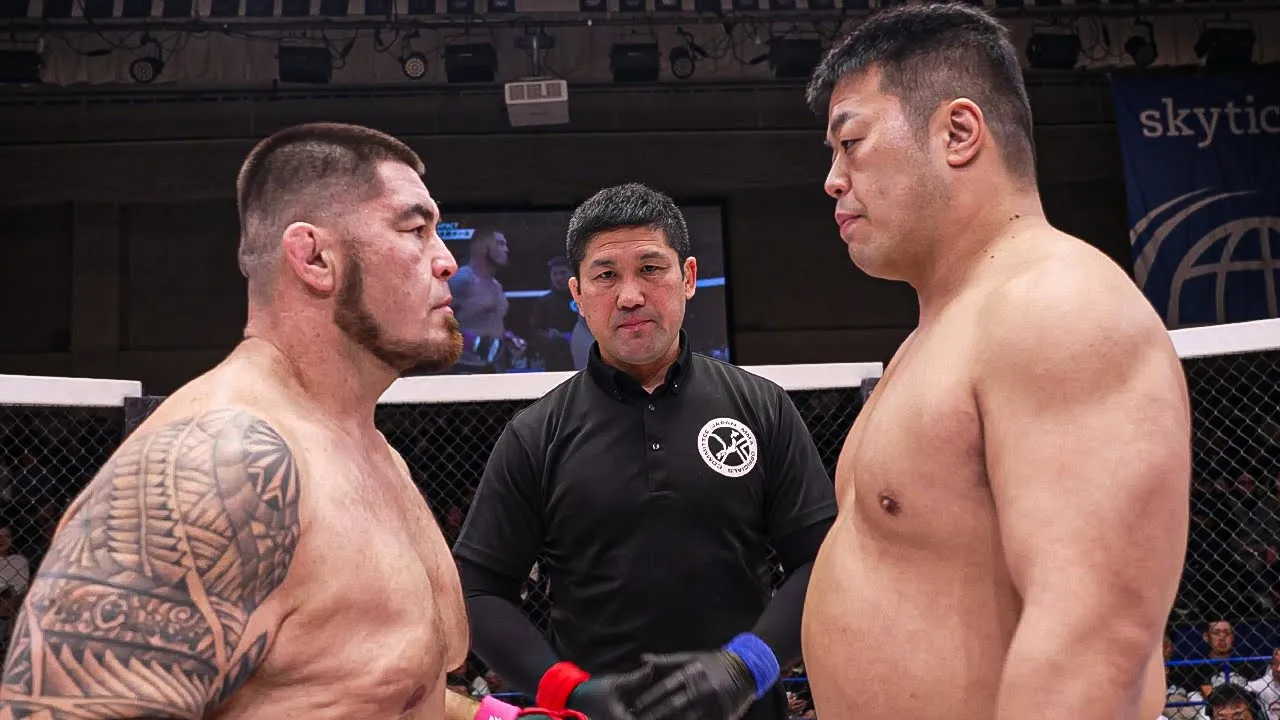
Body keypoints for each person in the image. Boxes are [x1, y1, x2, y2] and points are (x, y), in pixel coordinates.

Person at [0, 122, 560, 720]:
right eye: (415, 230)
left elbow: (370, 688)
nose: (446, 260)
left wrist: (496, 717)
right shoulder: (219, 462)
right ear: (315, 258)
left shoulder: (372, 452)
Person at [800, 5, 1191, 720]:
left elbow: (1094, 638)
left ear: (958, 133)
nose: (832, 178)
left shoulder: (1058, 306)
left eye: (851, 142)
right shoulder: (942, 334)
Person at [453, 182, 838, 720]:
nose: (630, 296)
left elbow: (823, 561)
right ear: (577, 295)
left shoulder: (762, 408)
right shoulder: (535, 434)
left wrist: (745, 667)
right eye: (606, 276)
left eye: (651, 269)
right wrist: (569, 691)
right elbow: (477, 592)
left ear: (689, 278)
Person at [450, 227, 520, 373]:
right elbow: (433, 324)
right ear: (480, 247)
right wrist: (472, 342)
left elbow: (488, 323)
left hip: (494, 366)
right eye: (499, 244)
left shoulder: (496, 285)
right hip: (464, 367)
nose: (506, 249)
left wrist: (505, 337)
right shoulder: (462, 279)